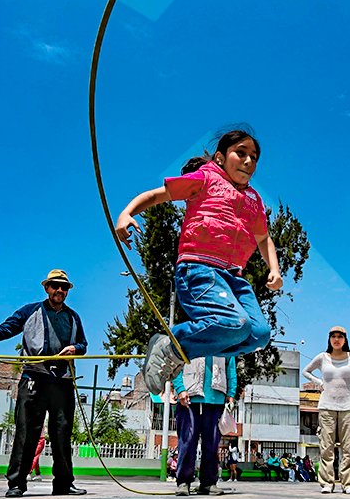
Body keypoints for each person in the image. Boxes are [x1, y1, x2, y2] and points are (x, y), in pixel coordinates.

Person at [116, 130, 283, 395]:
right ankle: (172, 345)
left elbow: (263, 238)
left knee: (258, 334)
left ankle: (181, 351)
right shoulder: (205, 179)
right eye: (241, 153)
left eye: (254, 157)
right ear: (220, 157)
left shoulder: (254, 200)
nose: (248, 161)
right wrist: (126, 213)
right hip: (200, 268)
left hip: (233, 277)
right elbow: (157, 195)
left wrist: (274, 268)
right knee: (236, 323)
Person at [0, 269, 87, 499]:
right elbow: (4, 329)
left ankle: (63, 483)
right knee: (27, 432)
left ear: (68, 291)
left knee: (62, 434)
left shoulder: (73, 317)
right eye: (55, 285)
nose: (59, 290)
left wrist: (75, 349)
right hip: (34, 378)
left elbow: (83, 345)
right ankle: (17, 483)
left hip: (62, 382)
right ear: (46, 288)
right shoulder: (30, 311)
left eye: (64, 287)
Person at [303, 326, 350, 495]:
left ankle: (349, 483)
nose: (336, 339)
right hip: (326, 406)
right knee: (326, 447)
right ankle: (327, 483)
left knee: (349, 447)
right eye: (333, 336)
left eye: (340, 336)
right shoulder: (322, 357)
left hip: (347, 406)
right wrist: (319, 382)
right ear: (329, 339)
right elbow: (306, 371)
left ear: (345, 339)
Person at [172, 355, 237, 496]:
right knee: (187, 442)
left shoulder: (224, 343)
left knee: (212, 445)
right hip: (188, 398)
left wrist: (231, 393)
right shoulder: (187, 341)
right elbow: (175, 365)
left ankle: (208, 483)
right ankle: (183, 482)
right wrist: (180, 389)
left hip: (215, 399)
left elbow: (230, 367)